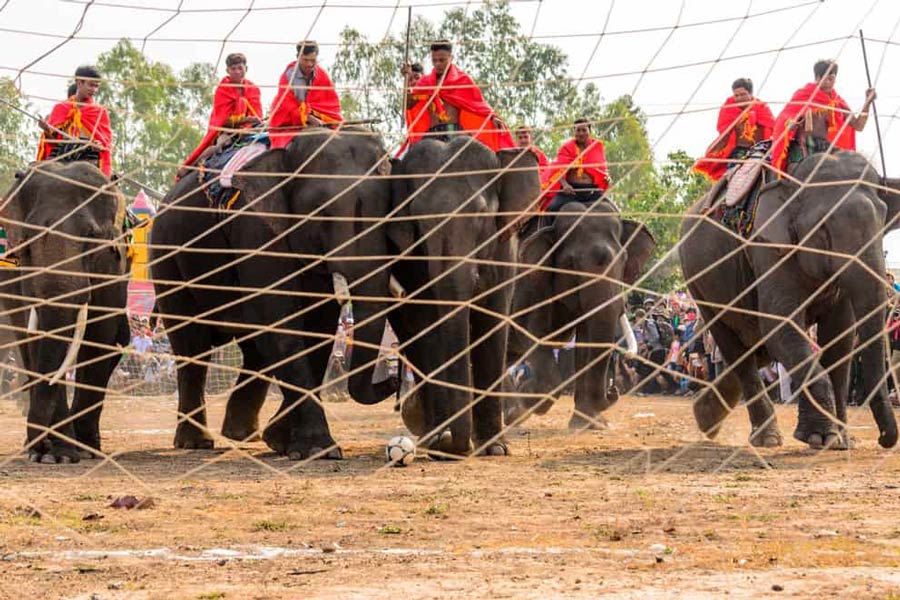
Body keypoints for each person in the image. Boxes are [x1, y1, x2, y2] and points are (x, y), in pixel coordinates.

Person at [402, 39, 513, 151]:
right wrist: (406, 81)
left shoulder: (463, 80)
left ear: (451, 58)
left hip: (454, 131)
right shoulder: (425, 82)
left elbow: (478, 104)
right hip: (432, 134)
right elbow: (409, 105)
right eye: (434, 60)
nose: (437, 64)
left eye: (442, 60)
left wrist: (493, 117)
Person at [771, 59, 876, 176]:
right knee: (794, 173)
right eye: (825, 78)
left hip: (825, 146)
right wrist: (790, 125)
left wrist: (868, 102)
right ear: (817, 78)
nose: (828, 83)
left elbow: (858, 125)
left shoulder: (837, 102)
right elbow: (785, 119)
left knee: (852, 168)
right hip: (804, 145)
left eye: (831, 79)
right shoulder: (804, 95)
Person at [179, 53, 263, 176]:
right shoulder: (223, 89)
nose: (237, 72)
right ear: (227, 70)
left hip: (249, 131)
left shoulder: (253, 89)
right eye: (233, 69)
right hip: (226, 131)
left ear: (246, 69)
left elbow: (257, 115)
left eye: (240, 68)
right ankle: (193, 166)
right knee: (222, 145)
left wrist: (252, 124)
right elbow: (222, 120)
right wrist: (245, 120)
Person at [36, 65, 113, 177]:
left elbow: (106, 142)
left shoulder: (100, 111)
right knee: (39, 175)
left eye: (96, 87)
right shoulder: (61, 107)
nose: (94, 90)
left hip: (88, 154)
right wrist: (46, 129)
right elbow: (53, 141)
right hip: (61, 153)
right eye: (91, 85)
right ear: (79, 83)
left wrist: (99, 145)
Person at [693, 78, 775, 180]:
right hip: (739, 152)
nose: (739, 98)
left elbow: (773, 128)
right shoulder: (728, 109)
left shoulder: (762, 108)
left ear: (751, 94)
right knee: (732, 178)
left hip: (762, 150)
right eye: (736, 95)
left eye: (743, 94)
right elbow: (724, 133)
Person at [268, 40, 342, 149]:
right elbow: (287, 106)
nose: (309, 64)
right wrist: (310, 119)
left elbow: (330, 103)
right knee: (286, 149)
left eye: (313, 60)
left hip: (322, 120)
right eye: (305, 60)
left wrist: (322, 121)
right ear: (298, 57)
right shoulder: (288, 76)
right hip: (290, 123)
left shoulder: (322, 75)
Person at [541, 118, 610, 212]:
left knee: (614, 211)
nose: (581, 133)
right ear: (574, 132)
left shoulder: (597, 146)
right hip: (571, 191)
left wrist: (607, 178)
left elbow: (602, 169)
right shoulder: (566, 148)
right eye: (578, 130)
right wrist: (565, 185)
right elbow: (557, 170)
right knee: (551, 208)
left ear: (590, 131)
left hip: (591, 191)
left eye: (584, 130)